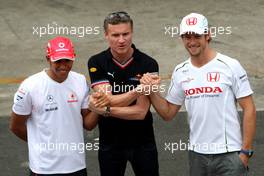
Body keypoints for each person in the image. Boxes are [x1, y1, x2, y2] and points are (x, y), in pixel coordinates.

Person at [140, 13, 256, 176]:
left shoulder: (230, 65)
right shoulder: (180, 71)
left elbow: (249, 107)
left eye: (197, 36)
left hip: (230, 154)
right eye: (187, 36)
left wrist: (245, 152)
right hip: (197, 155)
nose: (192, 41)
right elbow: (167, 112)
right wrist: (150, 90)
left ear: (208, 35)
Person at [10, 36, 108, 175]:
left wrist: (99, 107)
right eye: (58, 60)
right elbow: (16, 126)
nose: (63, 65)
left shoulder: (80, 81)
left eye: (67, 60)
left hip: (76, 166)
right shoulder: (30, 86)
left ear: (73, 58)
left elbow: (88, 124)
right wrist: (38, 144)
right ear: (48, 59)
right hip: (44, 169)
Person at [87, 11, 159, 176]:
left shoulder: (148, 63)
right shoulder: (96, 62)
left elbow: (140, 112)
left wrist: (106, 111)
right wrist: (138, 90)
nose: (121, 40)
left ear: (132, 33)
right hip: (110, 143)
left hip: (143, 142)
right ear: (106, 35)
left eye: (125, 34)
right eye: (115, 35)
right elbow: (107, 99)